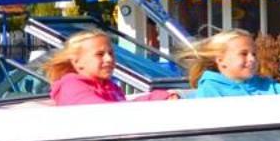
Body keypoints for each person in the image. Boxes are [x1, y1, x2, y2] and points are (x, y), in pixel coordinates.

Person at [46, 29, 181, 105]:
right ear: (77, 62)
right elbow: (108, 113)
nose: (109, 59)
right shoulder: (72, 87)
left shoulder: (110, 86)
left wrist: (161, 97)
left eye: (110, 53)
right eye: (100, 54)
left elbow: (122, 105)